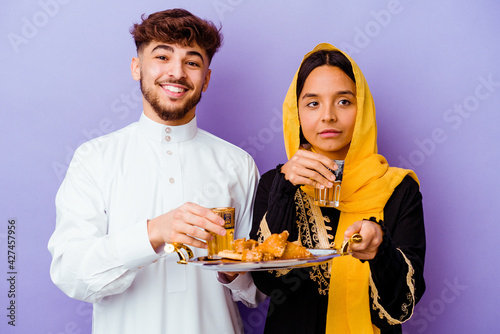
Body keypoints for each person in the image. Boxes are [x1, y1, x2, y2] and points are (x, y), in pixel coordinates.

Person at [48, 9, 263, 334]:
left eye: (192, 62)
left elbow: (258, 292)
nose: (176, 72)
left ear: (205, 78)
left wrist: (234, 271)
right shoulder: (95, 159)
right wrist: (153, 232)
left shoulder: (238, 164)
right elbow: (71, 274)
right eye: (162, 56)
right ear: (137, 67)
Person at [249, 43, 426, 333]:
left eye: (344, 101)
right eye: (312, 103)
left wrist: (380, 249)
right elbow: (269, 283)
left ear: (363, 109)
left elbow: (403, 304)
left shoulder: (397, 187)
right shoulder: (275, 183)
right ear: (296, 113)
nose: (328, 116)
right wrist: (285, 187)